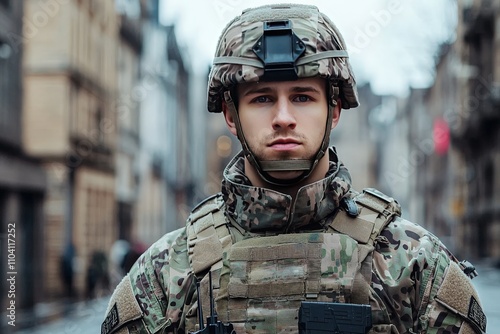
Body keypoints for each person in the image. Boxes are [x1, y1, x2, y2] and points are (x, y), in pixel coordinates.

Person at [102, 4, 486, 334]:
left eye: (302, 97)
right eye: (262, 98)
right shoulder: (164, 275)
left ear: (334, 110)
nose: (283, 118)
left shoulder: (413, 264)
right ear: (231, 116)